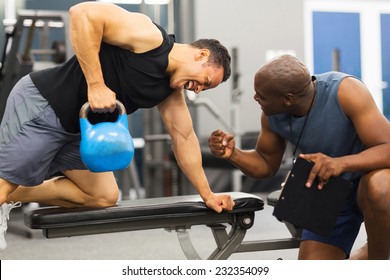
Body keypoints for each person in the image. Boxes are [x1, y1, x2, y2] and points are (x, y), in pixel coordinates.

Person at [0, 1, 235, 251]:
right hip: (44, 106)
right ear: (201, 55)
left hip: (76, 130)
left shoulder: (169, 93)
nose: (198, 89)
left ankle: (10, 194)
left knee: (103, 196)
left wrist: (207, 194)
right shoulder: (149, 38)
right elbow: (82, 13)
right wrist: (96, 85)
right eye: (205, 81)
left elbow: (184, 137)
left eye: (204, 89)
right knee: (3, 185)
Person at [208, 54, 390, 260]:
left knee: (381, 185)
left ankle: (379, 262)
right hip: (326, 190)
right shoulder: (271, 112)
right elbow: (265, 164)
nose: (255, 98)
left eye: (262, 95)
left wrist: (340, 163)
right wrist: (233, 154)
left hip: (365, 184)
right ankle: (363, 256)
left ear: (288, 99)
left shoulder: (346, 91)